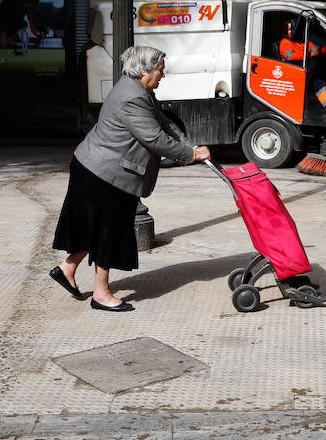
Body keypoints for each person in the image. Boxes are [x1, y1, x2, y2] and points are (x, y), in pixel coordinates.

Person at [49, 45, 212, 312]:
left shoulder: (140, 91)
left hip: (97, 168)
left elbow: (165, 125)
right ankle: (101, 294)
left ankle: (66, 269)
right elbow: (154, 138)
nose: (162, 75)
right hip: (104, 172)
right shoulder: (131, 97)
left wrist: (190, 147)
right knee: (108, 231)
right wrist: (190, 156)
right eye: (160, 70)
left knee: (96, 227)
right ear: (144, 70)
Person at [279, 19, 326, 120]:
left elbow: (315, 48)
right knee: (320, 84)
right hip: (296, 76)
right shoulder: (285, 43)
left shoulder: (301, 42)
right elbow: (290, 56)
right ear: (285, 31)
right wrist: (309, 54)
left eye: (293, 29)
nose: (291, 31)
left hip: (308, 73)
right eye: (289, 29)